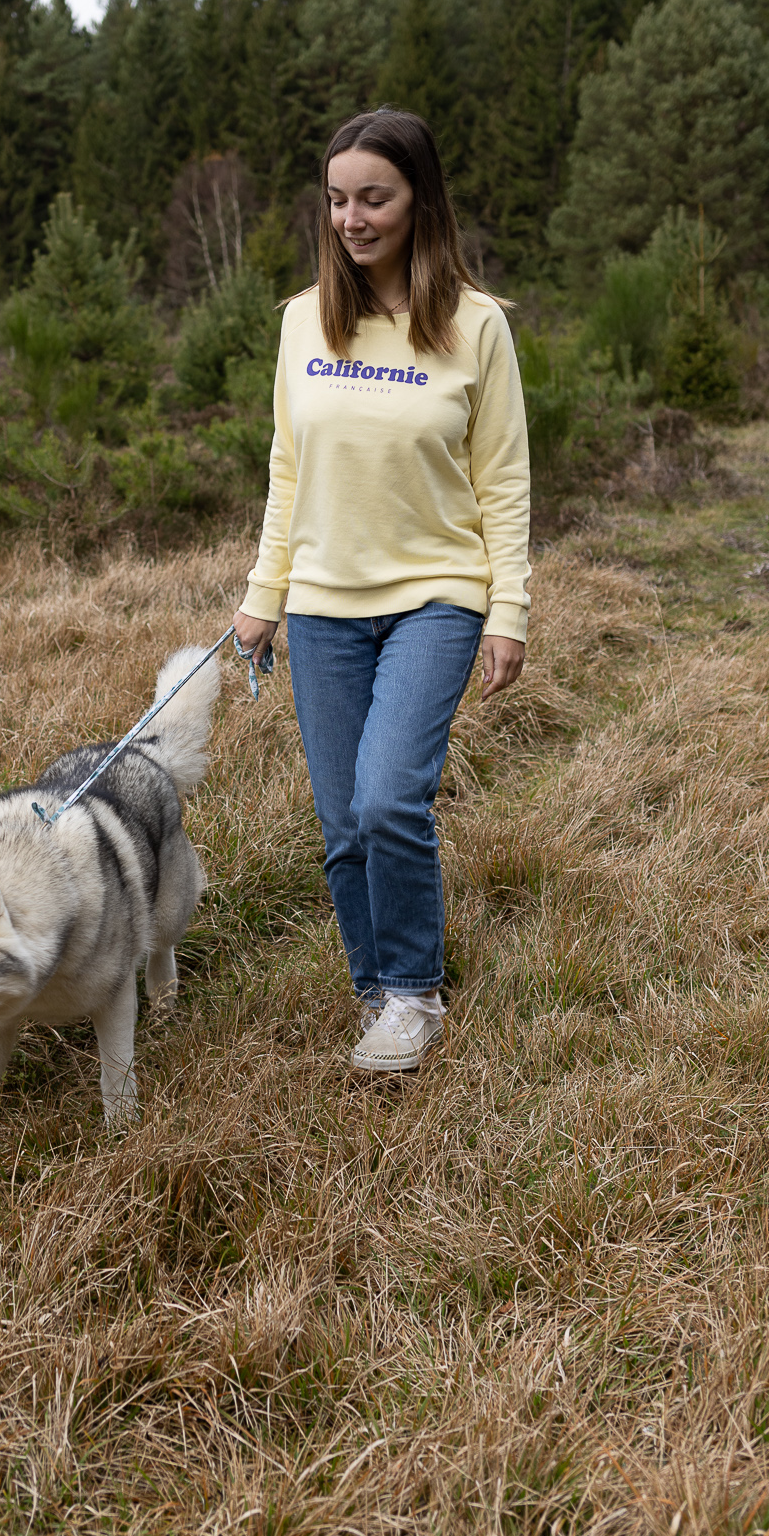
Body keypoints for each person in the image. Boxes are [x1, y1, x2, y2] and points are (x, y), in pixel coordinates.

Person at [232, 107, 530, 1075]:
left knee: (389, 798)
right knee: (341, 825)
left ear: (419, 201)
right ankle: (378, 993)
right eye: (336, 200)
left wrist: (509, 609)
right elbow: (287, 467)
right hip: (322, 606)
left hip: (436, 597)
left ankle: (412, 990)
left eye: (373, 198)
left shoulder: (476, 326)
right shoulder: (303, 321)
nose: (351, 219)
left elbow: (503, 479)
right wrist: (263, 594)